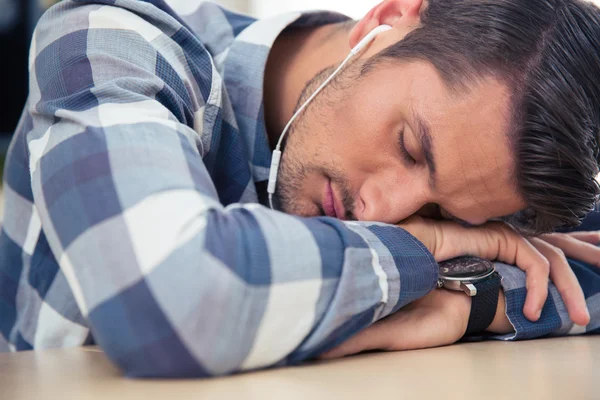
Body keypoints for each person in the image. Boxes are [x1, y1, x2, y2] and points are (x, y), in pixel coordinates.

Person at [1, 0, 599, 377]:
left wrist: (474, 301)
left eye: (442, 211)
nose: (385, 212)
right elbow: (173, 299)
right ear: (386, 20)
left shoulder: (486, 161)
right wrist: (433, 254)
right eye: (410, 148)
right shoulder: (111, 42)